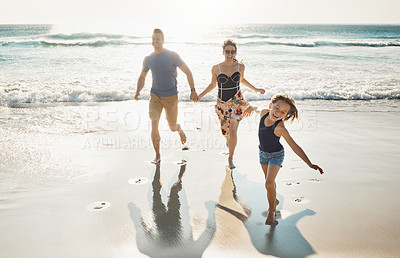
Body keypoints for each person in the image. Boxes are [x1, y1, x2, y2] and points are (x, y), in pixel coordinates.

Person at [248, 93, 323, 225]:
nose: (278, 113)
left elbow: (295, 146)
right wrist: (250, 107)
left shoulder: (280, 128)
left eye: (283, 112)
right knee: (269, 183)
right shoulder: (264, 113)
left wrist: (309, 163)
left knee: (269, 183)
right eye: (276, 108)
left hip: (277, 155)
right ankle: (274, 200)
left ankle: (272, 211)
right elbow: (257, 108)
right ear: (270, 105)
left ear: (285, 115)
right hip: (262, 153)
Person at [135, 28, 198, 164]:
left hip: (171, 96)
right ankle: (157, 156)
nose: (155, 41)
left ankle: (179, 129)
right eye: (153, 38)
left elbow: (188, 71)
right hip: (155, 96)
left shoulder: (172, 55)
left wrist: (193, 90)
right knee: (154, 125)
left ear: (163, 40)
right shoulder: (148, 59)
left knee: (172, 126)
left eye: (157, 38)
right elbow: (142, 77)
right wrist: (137, 91)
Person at [198, 39, 265, 169]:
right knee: (226, 132)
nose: (230, 54)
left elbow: (242, 80)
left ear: (235, 53)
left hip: (237, 101)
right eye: (227, 51)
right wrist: (200, 95)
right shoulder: (216, 68)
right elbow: (213, 84)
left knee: (233, 130)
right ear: (223, 52)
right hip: (222, 103)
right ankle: (228, 140)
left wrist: (256, 89)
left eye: (232, 51)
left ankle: (230, 158)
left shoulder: (240, 67)